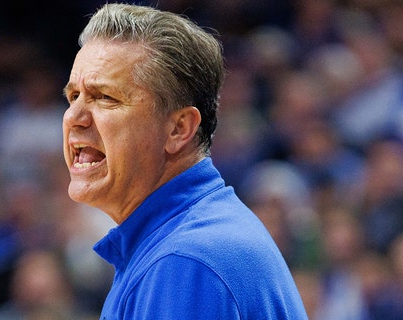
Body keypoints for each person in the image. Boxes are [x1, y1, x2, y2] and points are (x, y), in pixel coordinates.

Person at [61, 3, 308, 319]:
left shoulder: (186, 262)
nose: (73, 117)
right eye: (73, 97)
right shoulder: (180, 241)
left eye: (105, 98)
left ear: (178, 129)